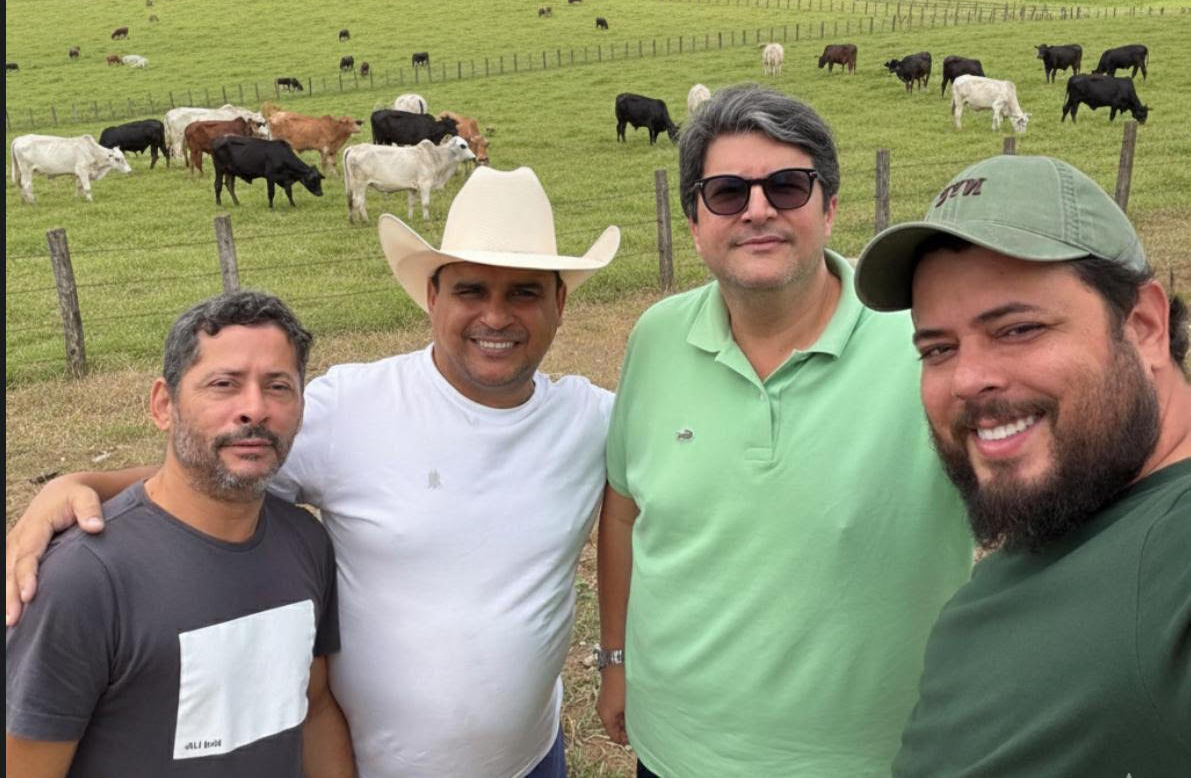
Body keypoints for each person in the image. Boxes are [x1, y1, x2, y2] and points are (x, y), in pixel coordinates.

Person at [6, 167, 620, 778]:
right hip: (372, 765)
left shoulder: (592, 420)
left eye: (524, 292)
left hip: (532, 760)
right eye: (470, 290)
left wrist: (617, 661)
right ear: (432, 296)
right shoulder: (353, 406)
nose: (496, 316)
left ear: (560, 303)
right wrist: (78, 486)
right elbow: (220, 462)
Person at [596, 84, 973, 777]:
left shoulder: (926, 341)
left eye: (787, 187)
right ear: (694, 219)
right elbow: (623, 509)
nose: (758, 210)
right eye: (727, 193)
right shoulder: (654, 337)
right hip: (674, 751)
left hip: (871, 759)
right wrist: (615, 659)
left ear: (829, 209)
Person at [853, 153, 1191, 775]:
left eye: (1018, 329)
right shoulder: (1081, 509)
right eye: (938, 348)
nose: (968, 379)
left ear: (1144, 327)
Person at [5, 291, 353, 777]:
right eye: (224, 384)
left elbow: (314, 709)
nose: (254, 408)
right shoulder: (84, 578)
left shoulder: (305, 541)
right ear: (163, 405)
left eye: (278, 387)